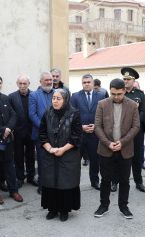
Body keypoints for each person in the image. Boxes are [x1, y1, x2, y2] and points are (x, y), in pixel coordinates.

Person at [93, 78, 140, 219]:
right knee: (105, 179)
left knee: (125, 180)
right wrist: (108, 143)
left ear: (124, 91)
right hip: (106, 148)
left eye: (119, 94)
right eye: (113, 94)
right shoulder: (102, 104)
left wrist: (122, 142)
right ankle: (103, 206)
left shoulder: (132, 105)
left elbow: (136, 126)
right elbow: (97, 126)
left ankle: (123, 206)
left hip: (125, 149)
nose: (116, 97)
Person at [39, 89, 82, 222]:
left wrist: (62, 149)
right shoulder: (48, 112)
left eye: (58, 98)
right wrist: (50, 148)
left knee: (65, 182)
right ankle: (52, 209)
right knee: (50, 181)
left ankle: (64, 210)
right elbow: (42, 134)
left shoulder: (74, 114)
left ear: (65, 100)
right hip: (50, 154)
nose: (55, 101)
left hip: (68, 154)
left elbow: (76, 137)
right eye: (53, 98)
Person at [70, 74, 105, 191]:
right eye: (84, 82)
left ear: (93, 83)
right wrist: (81, 127)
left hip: (95, 134)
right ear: (82, 83)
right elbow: (71, 115)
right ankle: (74, 183)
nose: (86, 84)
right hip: (79, 134)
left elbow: (105, 115)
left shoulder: (101, 96)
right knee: (76, 160)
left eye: (88, 82)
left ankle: (95, 181)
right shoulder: (75, 96)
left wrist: (97, 126)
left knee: (95, 160)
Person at [116, 67, 145, 193]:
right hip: (120, 132)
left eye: (128, 79)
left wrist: (133, 125)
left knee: (137, 158)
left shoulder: (140, 95)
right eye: (124, 79)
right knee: (118, 157)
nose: (126, 81)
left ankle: (138, 182)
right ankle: (115, 182)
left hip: (136, 133)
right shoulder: (118, 94)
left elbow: (144, 112)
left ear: (134, 81)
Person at [9, 74, 37, 188]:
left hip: (32, 131)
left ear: (28, 84)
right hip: (18, 133)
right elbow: (10, 115)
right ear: (17, 84)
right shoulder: (11, 97)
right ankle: (20, 178)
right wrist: (11, 130)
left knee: (30, 155)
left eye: (24, 83)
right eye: (20, 83)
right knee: (18, 156)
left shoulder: (34, 95)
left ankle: (31, 176)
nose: (22, 86)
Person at [29, 72, 54, 194]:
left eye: (50, 80)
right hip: (41, 134)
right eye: (46, 80)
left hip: (56, 134)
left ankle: (54, 183)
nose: (49, 82)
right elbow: (32, 115)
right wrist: (45, 128)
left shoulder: (58, 93)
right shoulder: (34, 95)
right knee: (42, 160)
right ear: (40, 82)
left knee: (55, 160)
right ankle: (42, 185)